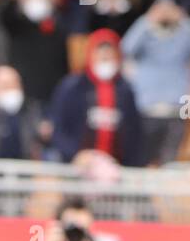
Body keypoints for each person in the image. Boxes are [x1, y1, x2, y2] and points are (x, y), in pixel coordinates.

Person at [121, 0, 190, 165]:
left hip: (180, 107)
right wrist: (147, 20)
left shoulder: (184, 34)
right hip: (145, 107)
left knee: (171, 161)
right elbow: (126, 48)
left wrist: (184, 20)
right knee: (141, 160)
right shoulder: (145, 33)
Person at [47, 28, 145, 167]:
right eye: (101, 56)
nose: (105, 59)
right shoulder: (72, 87)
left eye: (109, 56)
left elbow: (135, 133)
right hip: (78, 168)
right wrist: (75, 154)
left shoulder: (125, 91)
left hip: (117, 169)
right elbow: (58, 128)